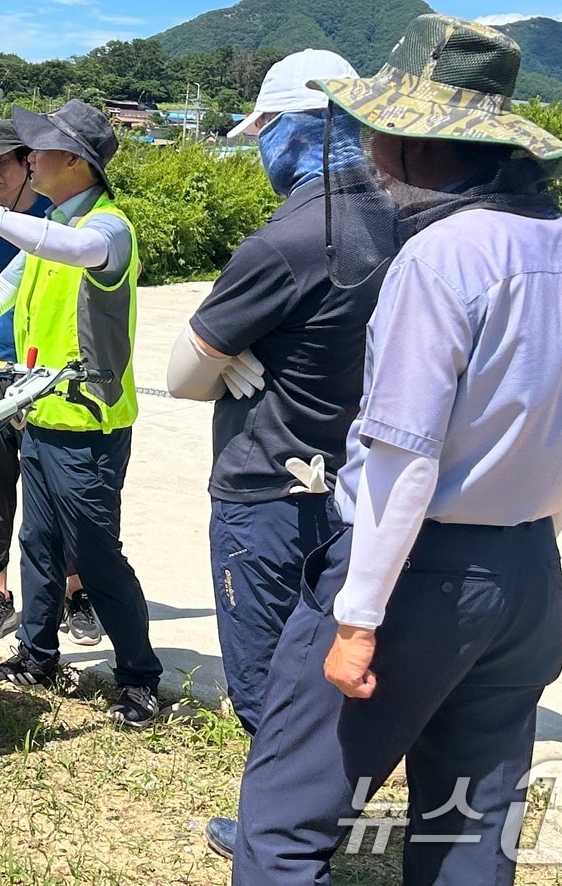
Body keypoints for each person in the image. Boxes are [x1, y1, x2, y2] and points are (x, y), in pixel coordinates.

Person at [232, 15, 562, 884]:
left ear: (420, 142)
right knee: (471, 828)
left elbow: (403, 457)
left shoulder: (442, 257)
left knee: (285, 825)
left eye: (382, 128)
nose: (369, 150)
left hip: (414, 574)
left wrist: (357, 619)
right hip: (525, 574)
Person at [165, 49, 370, 859]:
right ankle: (320, 815)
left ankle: (278, 840)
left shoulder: (286, 239)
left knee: (264, 679)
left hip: (265, 489)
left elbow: (183, 374)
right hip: (355, 493)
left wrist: (221, 355)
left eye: (264, 131)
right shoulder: (405, 221)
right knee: (326, 667)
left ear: (293, 130)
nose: (260, 150)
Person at [0, 99, 163, 728]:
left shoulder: (108, 228)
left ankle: (140, 678)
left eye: (40, 150)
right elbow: (0, 291)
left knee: (95, 551)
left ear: (74, 160)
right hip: (41, 413)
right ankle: (36, 652)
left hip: (89, 426)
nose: (30, 159)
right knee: (37, 540)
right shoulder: (53, 224)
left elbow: (76, 249)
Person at [0, 120, 101, 647]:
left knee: (56, 488)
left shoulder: (56, 217)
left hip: (44, 372)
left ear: (26, 163)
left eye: (1, 164)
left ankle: (75, 591)